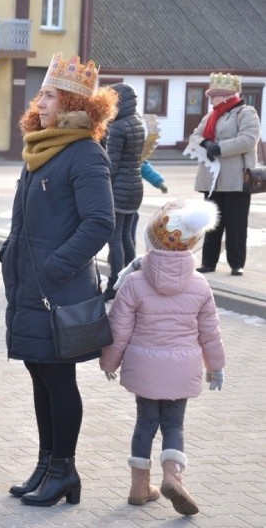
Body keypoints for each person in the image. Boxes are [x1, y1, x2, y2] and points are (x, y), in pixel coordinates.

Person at [0, 53, 117, 507]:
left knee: (58, 377)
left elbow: (100, 222)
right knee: (39, 371)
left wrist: (54, 266)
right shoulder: (42, 146)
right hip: (30, 284)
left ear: (70, 102)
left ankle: (64, 470)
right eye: (41, 93)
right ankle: (47, 464)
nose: (40, 101)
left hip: (59, 288)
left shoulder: (85, 152)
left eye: (48, 94)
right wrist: (12, 257)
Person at [100, 199, 225, 516]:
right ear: (193, 244)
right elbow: (210, 331)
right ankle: (173, 476)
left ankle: (139, 488)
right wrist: (216, 367)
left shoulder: (134, 281)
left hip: (144, 367)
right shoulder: (199, 284)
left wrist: (109, 362)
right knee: (174, 426)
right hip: (181, 369)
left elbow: (120, 327)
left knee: (145, 423)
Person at [190, 72, 260, 276]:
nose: (211, 100)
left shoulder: (246, 113)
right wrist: (205, 143)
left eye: (214, 96)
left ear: (226, 95)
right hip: (212, 179)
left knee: (236, 224)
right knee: (211, 222)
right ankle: (208, 262)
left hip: (236, 179)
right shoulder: (211, 115)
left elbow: (248, 139)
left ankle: (236, 263)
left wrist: (220, 147)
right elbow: (195, 136)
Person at [102, 83, 146, 301]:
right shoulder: (137, 122)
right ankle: (134, 280)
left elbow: (111, 165)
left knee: (115, 238)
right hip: (135, 185)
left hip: (119, 187)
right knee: (127, 236)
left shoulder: (118, 127)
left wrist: (100, 183)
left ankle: (114, 285)